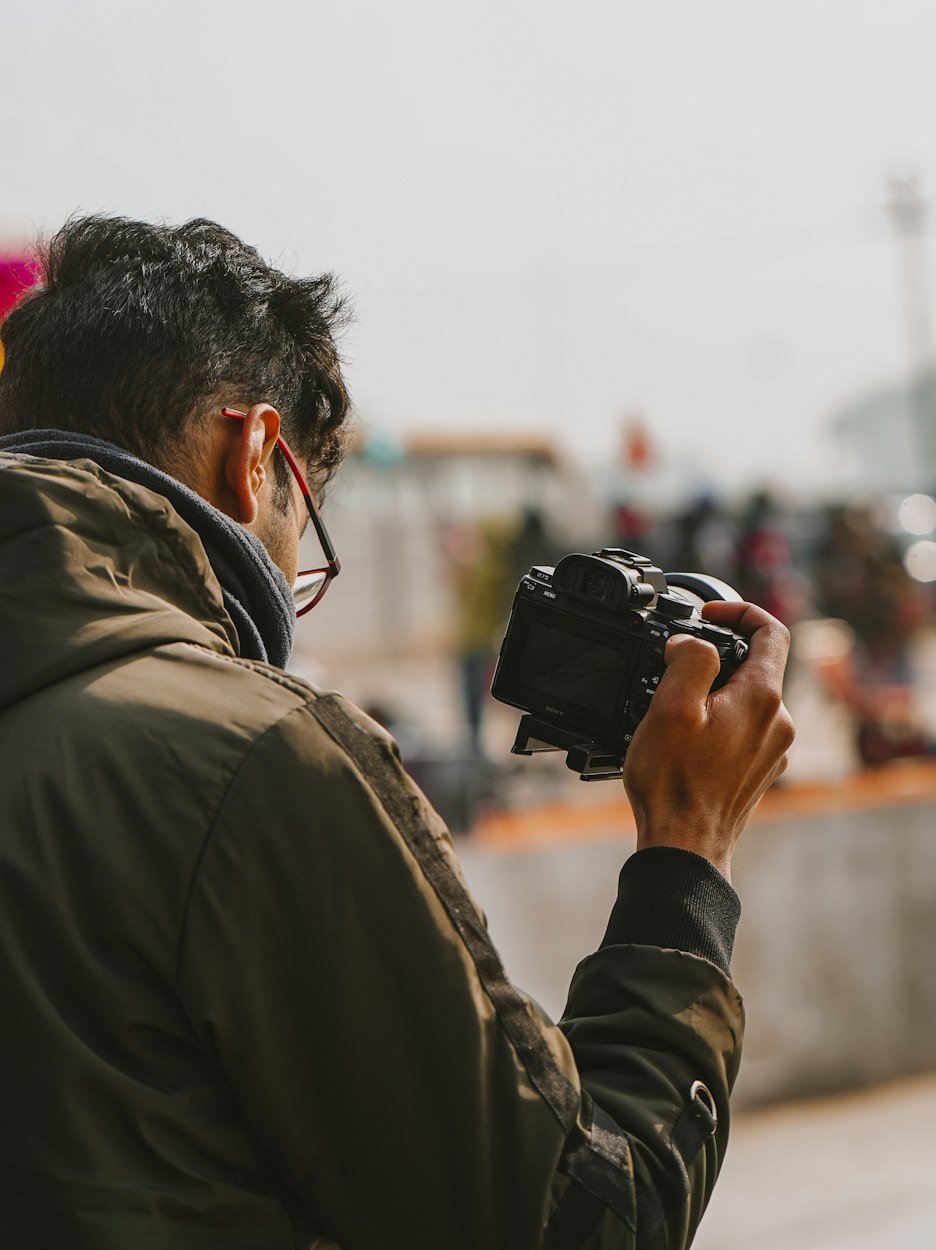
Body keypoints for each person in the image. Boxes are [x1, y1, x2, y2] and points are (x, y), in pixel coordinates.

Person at [0, 215, 794, 1248]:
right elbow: (574, 1221)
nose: (290, 574)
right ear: (254, 455)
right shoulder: (251, 760)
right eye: (304, 523)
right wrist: (689, 852)